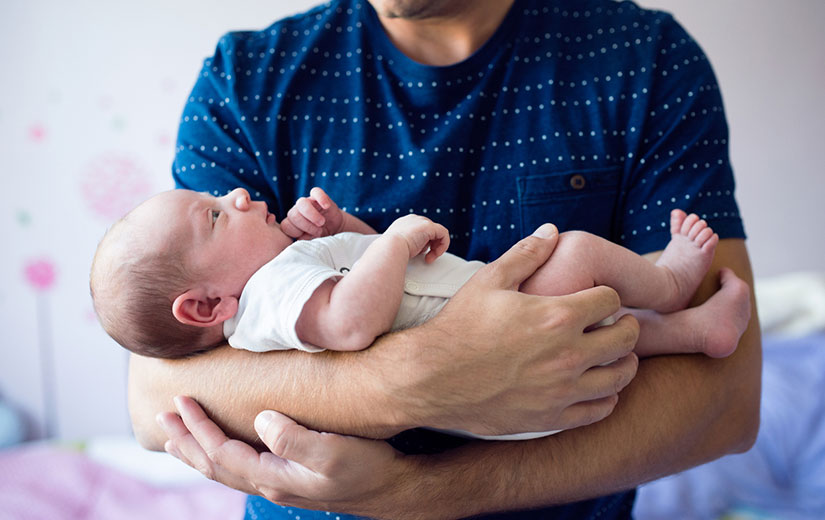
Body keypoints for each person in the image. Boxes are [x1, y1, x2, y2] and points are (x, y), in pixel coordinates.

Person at [129, 0, 762, 518]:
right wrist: (418, 381)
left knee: (614, 310)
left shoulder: (640, 59)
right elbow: (157, 394)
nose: (236, 203)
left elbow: (725, 403)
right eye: (213, 212)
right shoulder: (248, 80)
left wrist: (418, 490)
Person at [93, 185, 743, 365]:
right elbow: (353, 322)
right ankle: (669, 284)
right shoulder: (265, 297)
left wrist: (342, 228)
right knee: (571, 256)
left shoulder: (277, 286)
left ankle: (692, 335)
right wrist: (399, 237)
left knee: (597, 325)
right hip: (494, 336)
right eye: (211, 218)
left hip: (501, 336)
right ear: (206, 307)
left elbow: (377, 288)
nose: (236, 195)